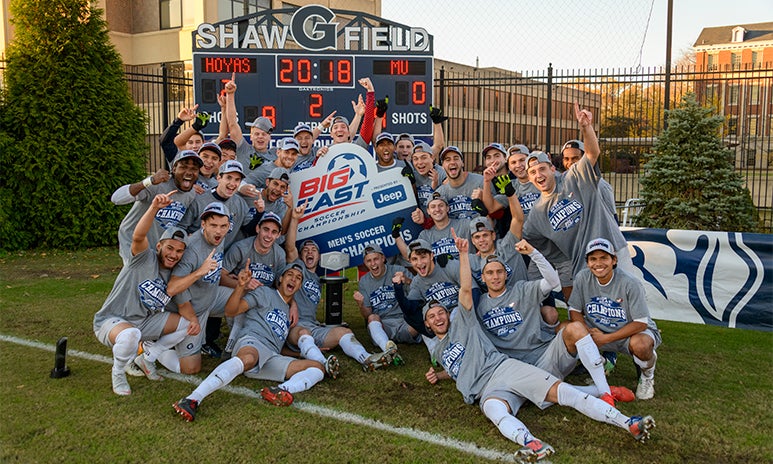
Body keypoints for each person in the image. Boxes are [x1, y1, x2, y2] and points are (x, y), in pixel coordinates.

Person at [423, 231, 655, 461]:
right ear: (427, 324)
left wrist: (463, 254)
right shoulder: (439, 350)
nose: (438, 318)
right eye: (432, 317)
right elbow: (460, 369)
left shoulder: (465, 324)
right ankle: (532, 443)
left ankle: (626, 421)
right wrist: (439, 375)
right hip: (483, 391)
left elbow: (465, 290)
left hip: (505, 369)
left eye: (441, 313)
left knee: (564, 393)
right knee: (495, 411)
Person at [172, 261, 325, 421]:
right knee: (249, 358)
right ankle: (193, 399)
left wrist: (299, 353)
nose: (293, 279)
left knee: (317, 367)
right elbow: (231, 311)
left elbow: (278, 344)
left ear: (300, 285)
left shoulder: (289, 312)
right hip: (252, 343)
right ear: (280, 279)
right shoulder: (264, 292)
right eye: (290, 275)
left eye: (298, 278)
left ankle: (280, 390)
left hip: (271, 356)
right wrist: (240, 286)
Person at [94, 191, 198, 395]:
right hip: (112, 320)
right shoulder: (144, 258)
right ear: (159, 245)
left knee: (187, 325)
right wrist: (153, 208)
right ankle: (118, 372)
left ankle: (147, 357)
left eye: (179, 251)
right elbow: (138, 235)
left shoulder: (174, 274)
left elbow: (185, 307)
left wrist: (194, 321)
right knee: (131, 335)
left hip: (143, 322)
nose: (173, 255)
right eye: (169, 248)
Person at [282, 204, 392, 373]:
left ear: (319, 257)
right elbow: (290, 248)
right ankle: (323, 363)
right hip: (294, 328)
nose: (309, 253)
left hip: (313, 327)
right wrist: (295, 219)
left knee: (344, 332)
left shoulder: (318, 279)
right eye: (305, 250)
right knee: (304, 332)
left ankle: (367, 358)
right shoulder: (298, 268)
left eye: (313, 250)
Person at [569, 238, 661, 400]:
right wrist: (586, 334)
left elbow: (641, 322)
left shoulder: (630, 283)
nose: (598, 263)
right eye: (593, 259)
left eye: (604, 258)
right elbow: (574, 310)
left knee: (641, 345)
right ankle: (601, 363)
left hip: (630, 333)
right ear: (588, 262)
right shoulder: (582, 278)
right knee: (566, 330)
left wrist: (606, 339)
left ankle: (647, 375)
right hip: (599, 331)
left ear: (614, 260)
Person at [164, 202, 233, 374]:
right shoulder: (192, 248)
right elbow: (172, 288)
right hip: (192, 308)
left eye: (223, 226)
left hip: (210, 296)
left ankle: (234, 347)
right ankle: (153, 347)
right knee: (191, 368)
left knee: (245, 300)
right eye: (214, 225)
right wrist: (199, 272)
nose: (219, 231)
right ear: (203, 224)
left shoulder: (219, 238)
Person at [112, 150, 202, 265]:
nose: (189, 172)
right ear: (174, 169)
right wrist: (149, 181)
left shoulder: (191, 194)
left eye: (194, 169)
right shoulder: (157, 185)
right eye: (183, 167)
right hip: (133, 242)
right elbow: (116, 198)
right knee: (138, 278)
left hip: (159, 246)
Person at [353, 242, 421, 362]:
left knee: (423, 319)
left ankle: (436, 348)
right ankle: (388, 349)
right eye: (369, 261)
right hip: (384, 326)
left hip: (405, 321)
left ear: (383, 258)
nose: (373, 264)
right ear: (365, 263)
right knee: (372, 317)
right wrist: (361, 305)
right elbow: (367, 314)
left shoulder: (398, 270)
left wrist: (407, 280)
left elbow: (419, 290)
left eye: (376, 259)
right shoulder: (364, 282)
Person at [434, 146, 484, 220]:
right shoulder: (440, 193)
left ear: (462, 163)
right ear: (443, 166)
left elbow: (495, 213)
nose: (452, 162)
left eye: (456, 158)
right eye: (448, 160)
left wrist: (484, 198)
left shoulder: (480, 181)